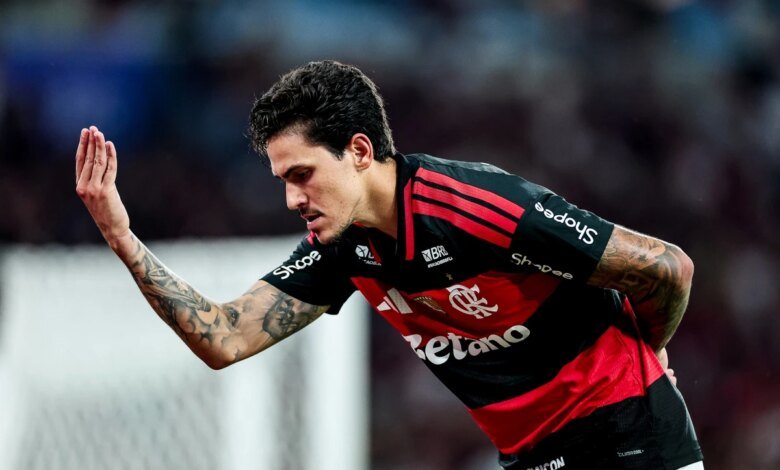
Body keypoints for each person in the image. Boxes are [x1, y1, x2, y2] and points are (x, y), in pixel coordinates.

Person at [75, 60, 704, 469]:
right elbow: (227, 338)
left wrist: (648, 352)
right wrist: (123, 237)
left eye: (302, 175)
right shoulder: (342, 246)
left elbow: (666, 268)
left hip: (630, 437)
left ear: (358, 151)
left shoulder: (476, 207)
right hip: (531, 454)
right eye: (283, 180)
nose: (292, 199)